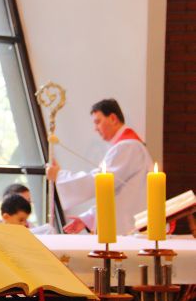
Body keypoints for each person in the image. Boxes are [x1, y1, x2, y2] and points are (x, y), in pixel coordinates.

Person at [46, 98, 153, 235]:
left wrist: (60, 176)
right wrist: (88, 218)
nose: (95, 128)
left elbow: (100, 181)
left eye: (98, 121)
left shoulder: (128, 147)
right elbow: (117, 194)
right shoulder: (127, 146)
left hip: (129, 227)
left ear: (113, 119)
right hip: (128, 224)